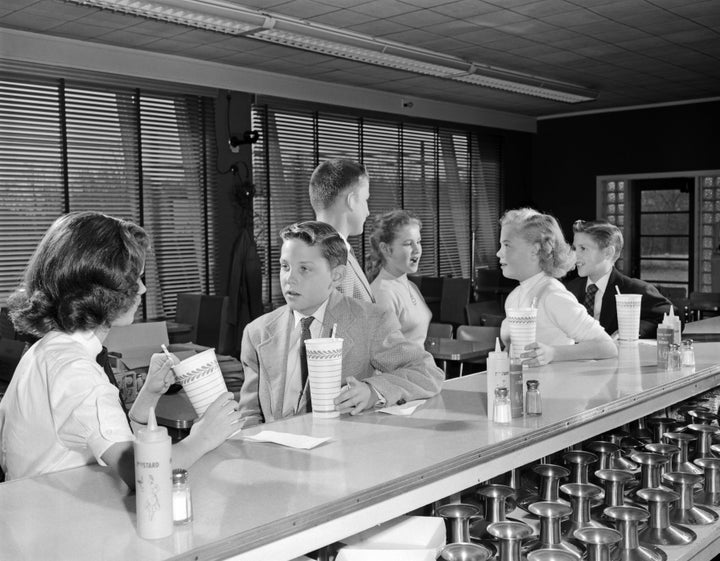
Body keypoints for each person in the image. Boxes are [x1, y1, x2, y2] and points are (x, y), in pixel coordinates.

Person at [0, 211, 242, 488]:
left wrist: (148, 394)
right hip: (60, 521)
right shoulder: (76, 371)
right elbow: (141, 472)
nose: (142, 290)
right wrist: (203, 438)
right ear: (100, 290)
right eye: (134, 281)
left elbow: (102, 435)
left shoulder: (47, 349)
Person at [238, 221, 444, 426]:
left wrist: (373, 391)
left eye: (304, 269)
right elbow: (249, 414)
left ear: (336, 276)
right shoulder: (258, 332)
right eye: (285, 266)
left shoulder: (370, 321)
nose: (289, 279)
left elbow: (426, 372)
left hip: (344, 448)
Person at [497, 208, 617, 366]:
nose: (499, 253)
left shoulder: (552, 295)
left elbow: (607, 347)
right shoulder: (514, 297)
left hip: (553, 388)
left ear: (535, 250)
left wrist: (552, 353)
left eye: (507, 245)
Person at [566, 219, 673, 338]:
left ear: (608, 253)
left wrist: (631, 331)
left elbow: (672, 316)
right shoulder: (568, 290)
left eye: (583, 248)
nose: (575, 255)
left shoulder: (634, 289)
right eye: (575, 248)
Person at [309, 158, 375, 302]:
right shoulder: (333, 259)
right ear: (351, 201)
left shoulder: (322, 252)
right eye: (365, 200)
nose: (368, 211)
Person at [367, 210, 431, 347]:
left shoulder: (411, 286)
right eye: (408, 244)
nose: (417, 249)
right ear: (386, 249)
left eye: (418, 242)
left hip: (418, 367)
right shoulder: (382, 293)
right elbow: (385, 353)